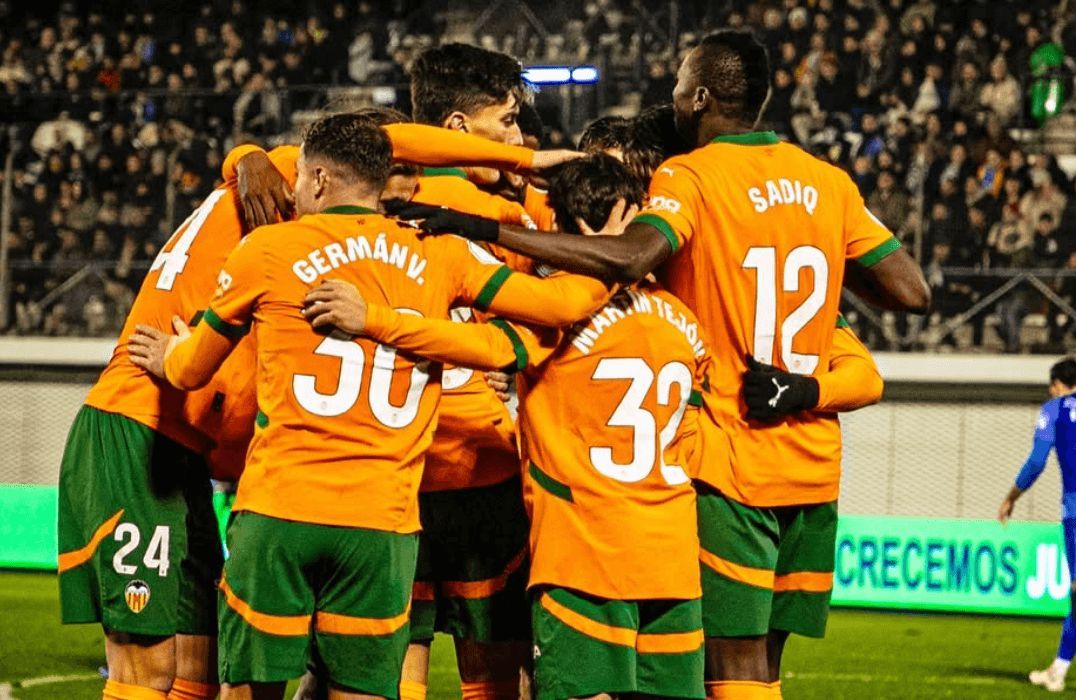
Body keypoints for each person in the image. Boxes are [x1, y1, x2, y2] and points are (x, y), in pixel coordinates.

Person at [391, 29, 928, 699]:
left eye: (677, 83)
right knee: (758, 669)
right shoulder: (826, 186)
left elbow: (611, 268)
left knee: (708, 669)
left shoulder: (680, 192)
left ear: (699, 97)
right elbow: (910, 294)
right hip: (792, 482)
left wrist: (472, 237)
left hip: (696, 481)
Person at [126, 114, 611, 700]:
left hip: (281, 509)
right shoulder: (440, 250)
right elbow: (558, 308)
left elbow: (190, 371)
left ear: (319, 178)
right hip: (382, 521)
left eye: (299, 176)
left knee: (250, 690)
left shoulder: (267, 248)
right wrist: (614, 255)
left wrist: (168, 356)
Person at [305, 153, 711, 700]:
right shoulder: (685, 323)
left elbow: (480, 344)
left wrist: (373, 320)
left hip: (583, 553)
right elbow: (694, 430)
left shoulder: (554, 321)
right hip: (673, 554)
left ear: (565, 227)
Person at [55, 148, 291, 700]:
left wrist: (245, 156)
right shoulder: (286, 199)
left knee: (197, 671)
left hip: (181, 454)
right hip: (136, 429)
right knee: (148, 670)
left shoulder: (269, 234)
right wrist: (249, 157)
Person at [999, 358, 1076, 693]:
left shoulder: (1054, 409)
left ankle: (1057, 671)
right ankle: (1058, 669)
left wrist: (1011, 497)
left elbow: (1036, 461)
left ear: (1058, 384)